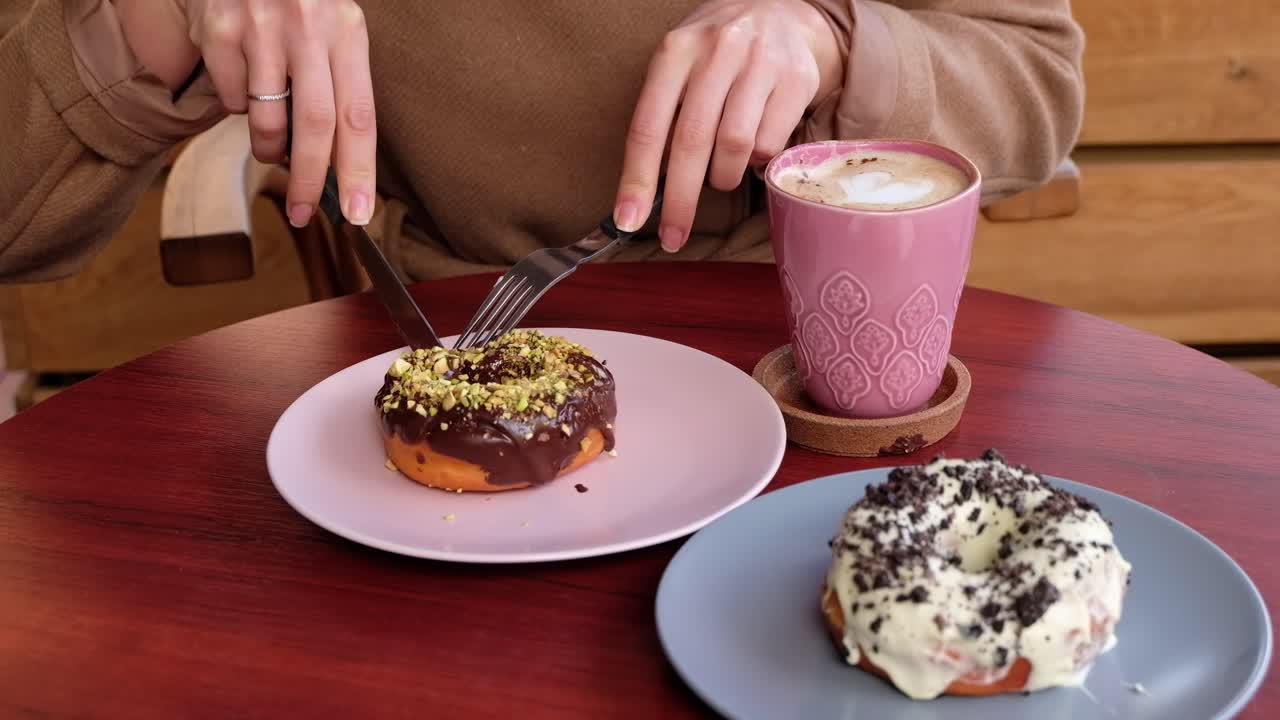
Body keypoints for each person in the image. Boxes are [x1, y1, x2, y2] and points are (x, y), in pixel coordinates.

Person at [0, 1, 1083, 284]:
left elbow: (1036, 83)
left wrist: (834, 38)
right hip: (442, 344)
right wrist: (158, 15)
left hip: (792, 359)